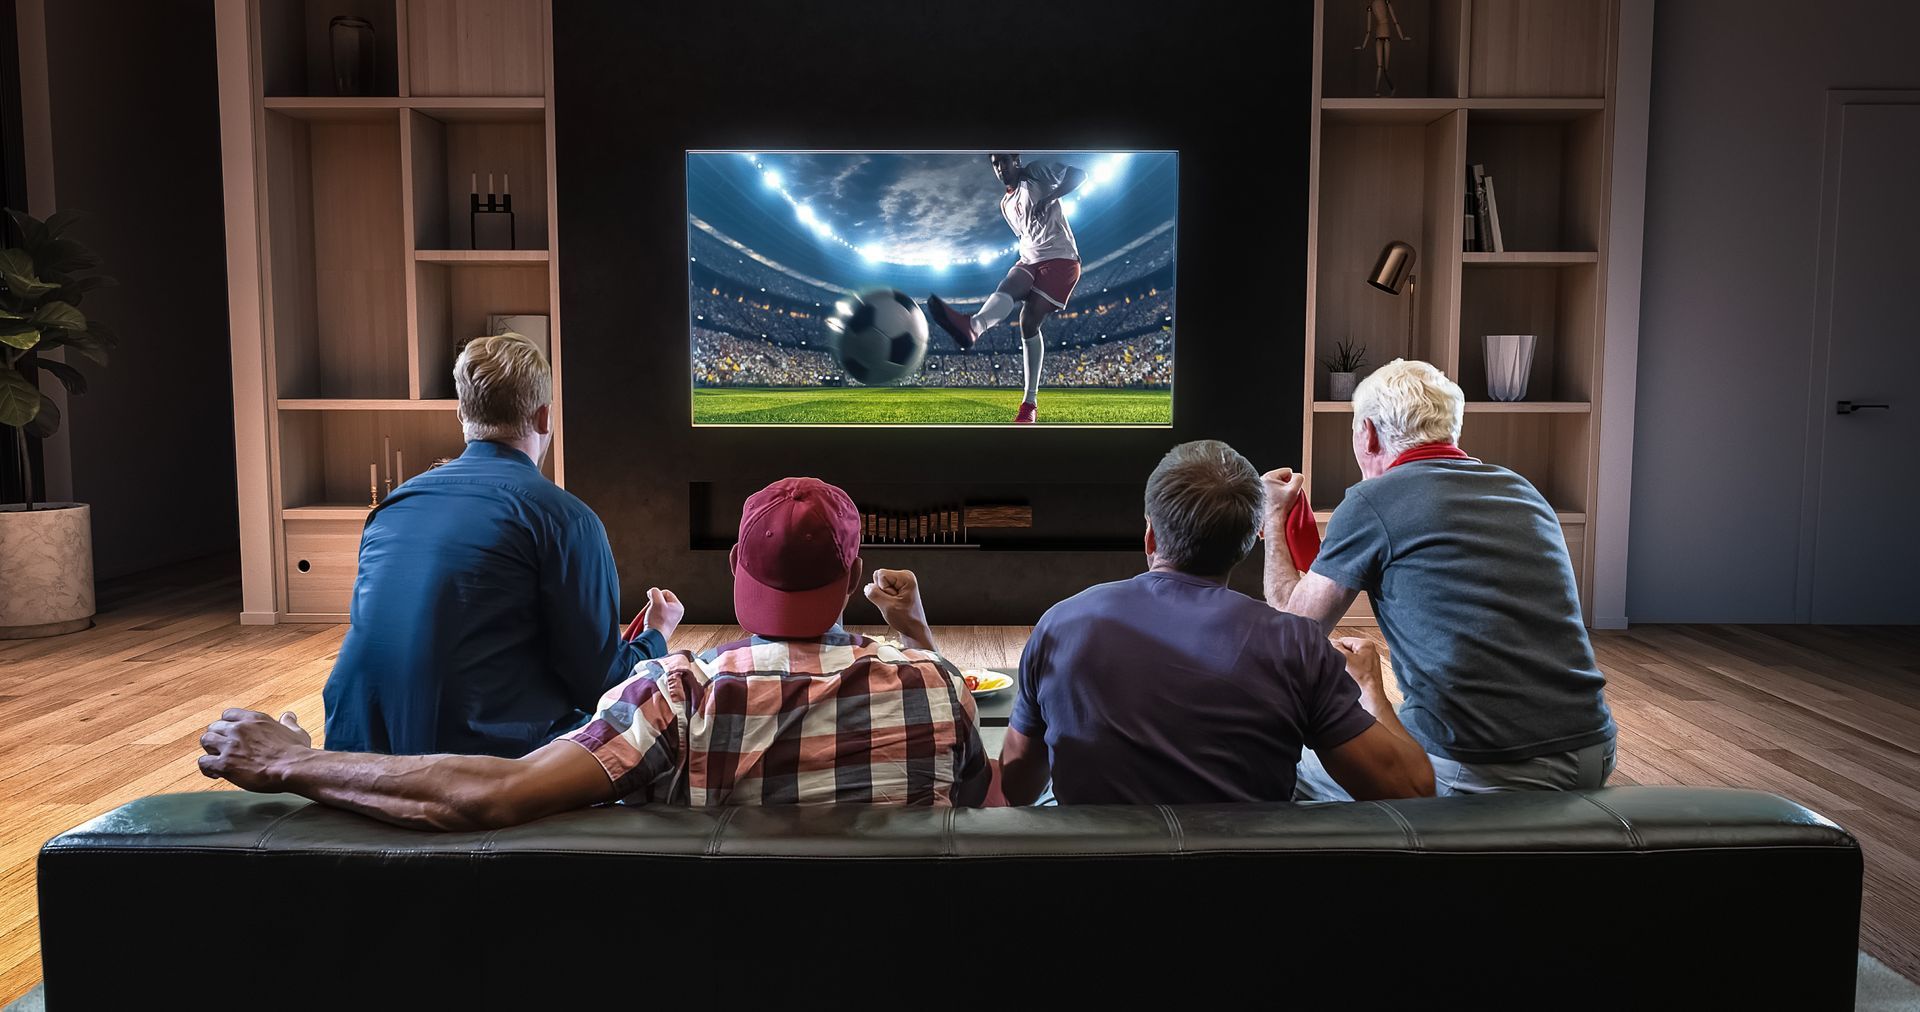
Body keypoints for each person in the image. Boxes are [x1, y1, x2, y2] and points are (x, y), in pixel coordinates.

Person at [200, 478, 993, 827]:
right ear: (851, 576)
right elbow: (996, 805)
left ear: (735, 570)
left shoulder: (677, 689)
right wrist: (920, 636)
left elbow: (487, 795)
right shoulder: (938, 687)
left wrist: (286, 761)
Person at [997, 440, 1434, 805]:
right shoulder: (1296, 643)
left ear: (1151, 535)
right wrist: (1373, 693)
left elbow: (1018, 787)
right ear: (1245, 545)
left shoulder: (1061, 623)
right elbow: (1413, 791)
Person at [1264, 359, 1616, 797]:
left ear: (1368, 433)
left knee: (1286, 759)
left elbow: (1293, 627)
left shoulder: (1374, 499)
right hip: (1594, 749)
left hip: (1483, 765)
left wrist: (1274, 514)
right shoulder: (1521, 489)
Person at [320, 334, 678, 759]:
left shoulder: (394, 504)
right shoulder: (566, 521)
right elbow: (600, 682)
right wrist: (657, 634)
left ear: (461, 413)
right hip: (477, 763)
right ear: (545, 417)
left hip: (354, 751)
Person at [927, 152, 1085, 424]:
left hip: (1061, 259)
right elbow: (1025, 234)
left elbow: (1079, 175)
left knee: (1028, 321)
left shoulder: (1037, 172)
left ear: (1017, 160)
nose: (1000, 168)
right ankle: (972, 327)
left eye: (1004, 161)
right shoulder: (1005, 205)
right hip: (1030, 258)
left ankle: (1029, 404)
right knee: (1008, 286)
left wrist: (1050, 196)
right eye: (995, 164)